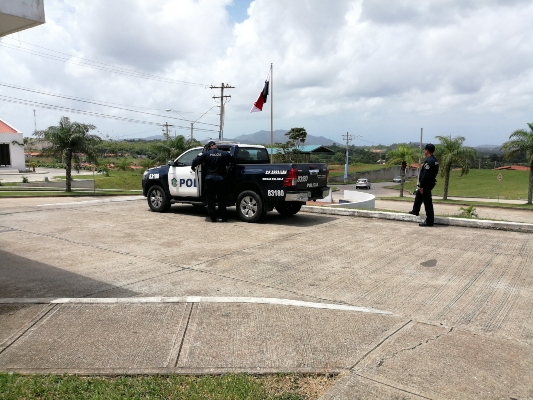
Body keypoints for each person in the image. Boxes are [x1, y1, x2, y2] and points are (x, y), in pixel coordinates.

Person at [191, 141, 235, 222]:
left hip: (209, 179)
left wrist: (193, 167)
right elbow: (232, 160)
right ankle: (223, 218)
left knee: (210, 200)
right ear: (215, 146)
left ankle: (213, 218)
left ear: (210, 146)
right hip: (220, 179)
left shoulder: (206, 154)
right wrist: (228, 168)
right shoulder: (223, 153)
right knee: (222, 199)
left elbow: (195, 161)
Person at [409, 143, 439, 227]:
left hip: (426, 184)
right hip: (429, 183)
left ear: (427, 151)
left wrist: (422, 186)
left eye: (425, 150)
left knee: (427, 202)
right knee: (419, 196)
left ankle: (429, 221)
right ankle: (415, 211)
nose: (424, 151)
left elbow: (426, 174)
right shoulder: (434, 160)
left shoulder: (429, 161)